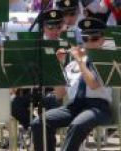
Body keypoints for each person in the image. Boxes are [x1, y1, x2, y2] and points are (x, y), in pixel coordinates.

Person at [31, 17, 113, 151]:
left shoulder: (106, 61)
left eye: (94, 38)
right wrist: (59, 65)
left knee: (77, 124)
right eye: (86, 38)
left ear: (103, 40)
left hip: (98, 108)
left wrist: (81, 61)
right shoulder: (73, 64)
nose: (89, 43)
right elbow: (59, 93)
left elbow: (93, 84)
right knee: (39, 122)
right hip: (73, 107)